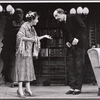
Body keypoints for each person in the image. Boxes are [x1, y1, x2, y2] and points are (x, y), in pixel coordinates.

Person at [14, 11, 52, 98]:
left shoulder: (32, 28)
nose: (37, 21)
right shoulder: (24, 26)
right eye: (37, 19)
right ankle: (20, 90)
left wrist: (44, 36)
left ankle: (27, 89)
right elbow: (19, 37)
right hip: (22, 52)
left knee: (29, 69)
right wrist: (31, 40)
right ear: (32, 19)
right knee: (22, 69)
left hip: (28, 52)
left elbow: (35, 39)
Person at [53, 8, 88, 95]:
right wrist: (67, 42)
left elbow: (83, 27)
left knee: (79, 65)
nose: (56, 18)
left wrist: (77, 38)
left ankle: (78, 88)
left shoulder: (73, 17)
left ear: (61, 13)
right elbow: (65, 34)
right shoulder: (61, 23)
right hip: (71, 44)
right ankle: (72, 87)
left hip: (80, 43)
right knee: (70, 65)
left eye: (56, 16)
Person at [1, 8, 24, 83]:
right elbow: (6, 32)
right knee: (6, 60)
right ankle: (6, 76)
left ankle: (17, 78)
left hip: (19, 44)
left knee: (18, 61)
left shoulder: (24, 23)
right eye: (17, 13)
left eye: (20, 13)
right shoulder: (10, 22)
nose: (19, 15)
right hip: (9, 44)